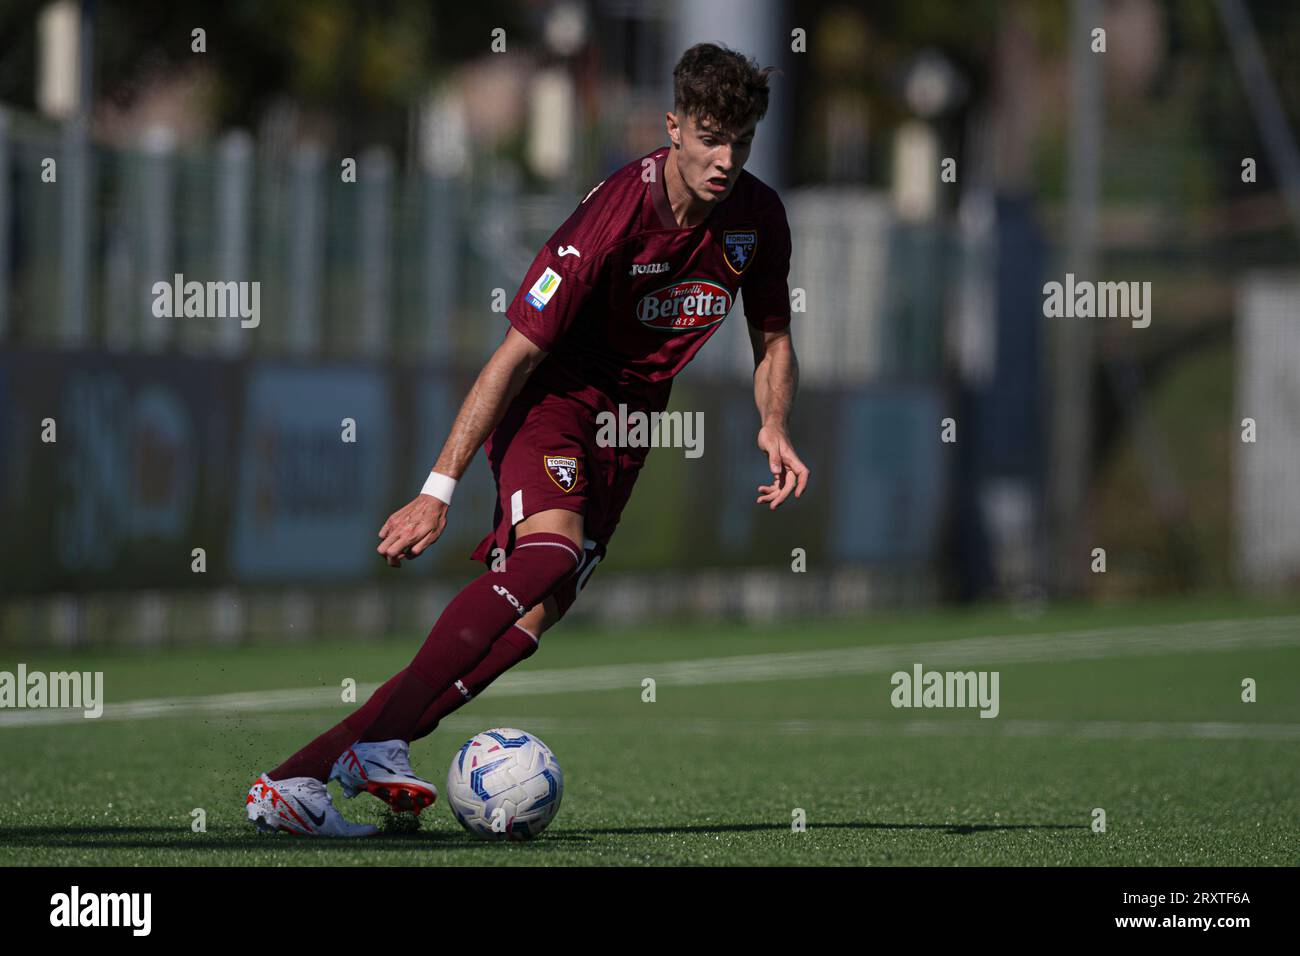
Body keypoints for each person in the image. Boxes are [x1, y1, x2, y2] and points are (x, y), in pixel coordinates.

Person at [246, 42, 809, 837]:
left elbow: (774, 337)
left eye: (741, 141)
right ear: (673, 127)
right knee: (546, 555)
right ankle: (338, 758)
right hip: (552, 402)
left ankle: (338, 763)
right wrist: (438, 488)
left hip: (628, 423)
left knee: (534, 619)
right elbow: (513, 355)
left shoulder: (758, 218)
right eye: (711, 136)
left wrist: (774, 424)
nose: (726, 159)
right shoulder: (612, 215)